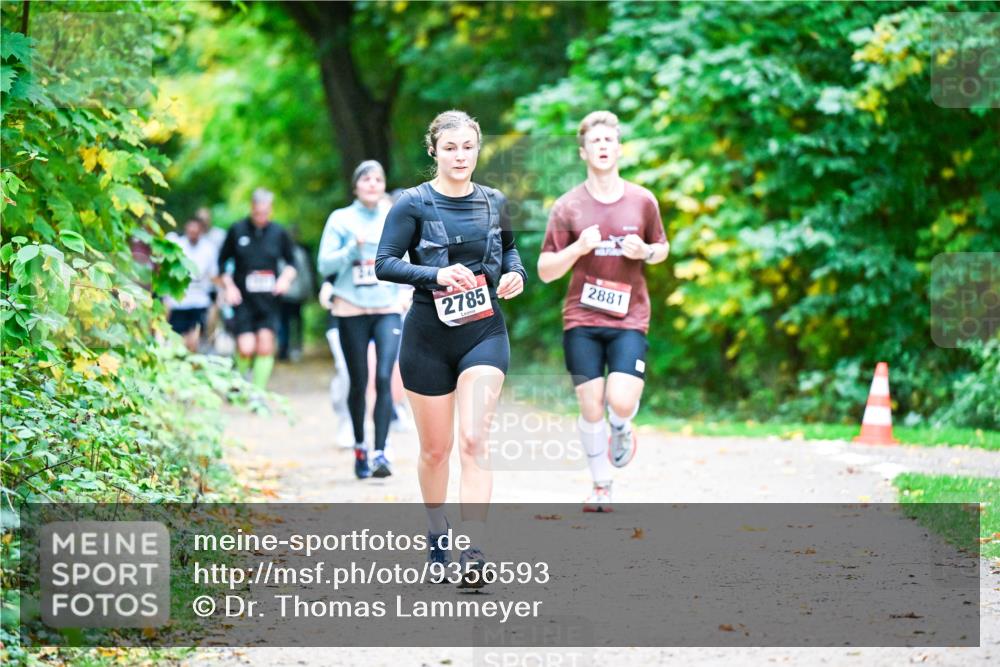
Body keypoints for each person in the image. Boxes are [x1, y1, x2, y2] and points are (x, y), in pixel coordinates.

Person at [376, 110, 526, 585]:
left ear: (478, 149)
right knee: (435, 451)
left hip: (484, 333)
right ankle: (436, 532)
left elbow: (512, 249)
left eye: (468, 147)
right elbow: (384, 263)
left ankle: (474, 549)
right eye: (451, 148)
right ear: (433, 151)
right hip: (427, 338)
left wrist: (516, 275)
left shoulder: (495, 201)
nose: (461, 156)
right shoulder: (412, 204)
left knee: (474, 441)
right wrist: (435, 274)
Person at [537, 110, 669, 513]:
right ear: (583, 152)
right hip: (582, 317)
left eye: (609, 141)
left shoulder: (642, 200)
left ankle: (621, 427)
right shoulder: (568, 206)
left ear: (620, 149)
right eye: (595, 142)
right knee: (590, 403)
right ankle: (601, 484)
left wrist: (644, 251)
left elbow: (661, 248)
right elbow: (544, 270)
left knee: (621, 401)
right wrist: (577, 248)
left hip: (630, 316)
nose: (603, 147)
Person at [318, 161, 405, 479]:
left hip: (386, 307)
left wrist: (405, 291)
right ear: (356, 186)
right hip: (351, 308)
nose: (372, 183)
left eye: (378, 179)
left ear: (384, 185)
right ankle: (359, 446)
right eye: (366, 179)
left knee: (383, 377)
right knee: (357, 381)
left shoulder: (393, 218)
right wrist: (350, 251)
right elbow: (323, 264)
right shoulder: (341, 219)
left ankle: (381, 451)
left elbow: (408, 259)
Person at [217, 188, 297, 390]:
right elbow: (221, 263)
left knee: (265, 346)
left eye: (265, 212)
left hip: (269, 300)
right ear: (251, 208)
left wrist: (285, 279)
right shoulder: (237, 230)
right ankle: (238, 383)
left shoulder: (279, 232)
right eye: (257, 212)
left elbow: (291, 263)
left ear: (271, 210)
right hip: (242, 300)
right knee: (246, 347)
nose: (261, 217)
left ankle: (257, 393)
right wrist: (229, 286)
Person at [165, 218, 218, 352]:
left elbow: (213, 275)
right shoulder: (177, 245)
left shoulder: (209, 248)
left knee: (194, 340)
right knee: (178, 342)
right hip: (179, 302)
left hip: (199, 301)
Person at [319, 276, 356, 449]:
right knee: (346, 371)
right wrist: (327, 288)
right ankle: (345, 418)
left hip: (377, 319)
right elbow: (327, 270)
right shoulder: (341, 250)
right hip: (340, 321)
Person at [277, 225, 315, 362]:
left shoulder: (286, 252)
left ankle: (286, 349)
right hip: (290, 295)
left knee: (287, 322)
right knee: (291, 322)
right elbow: (306, 275)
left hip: (290, 295)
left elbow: (305, 275)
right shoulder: (299, 252)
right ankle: (290, 348)